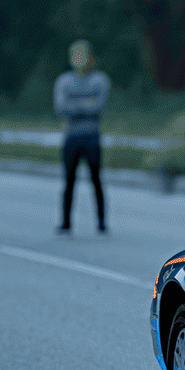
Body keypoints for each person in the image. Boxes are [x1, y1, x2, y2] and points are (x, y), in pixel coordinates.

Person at [53, 40, 110, 234]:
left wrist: (75, 104)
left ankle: (101, 221)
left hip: (91, 137)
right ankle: (66, 221)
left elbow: (99, 106)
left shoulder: (100, 80)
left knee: (96, 180)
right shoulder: (63, 81)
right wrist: (86, 104)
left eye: (83, 55)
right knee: (69, 181)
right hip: (71, 138)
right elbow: (61, 108)